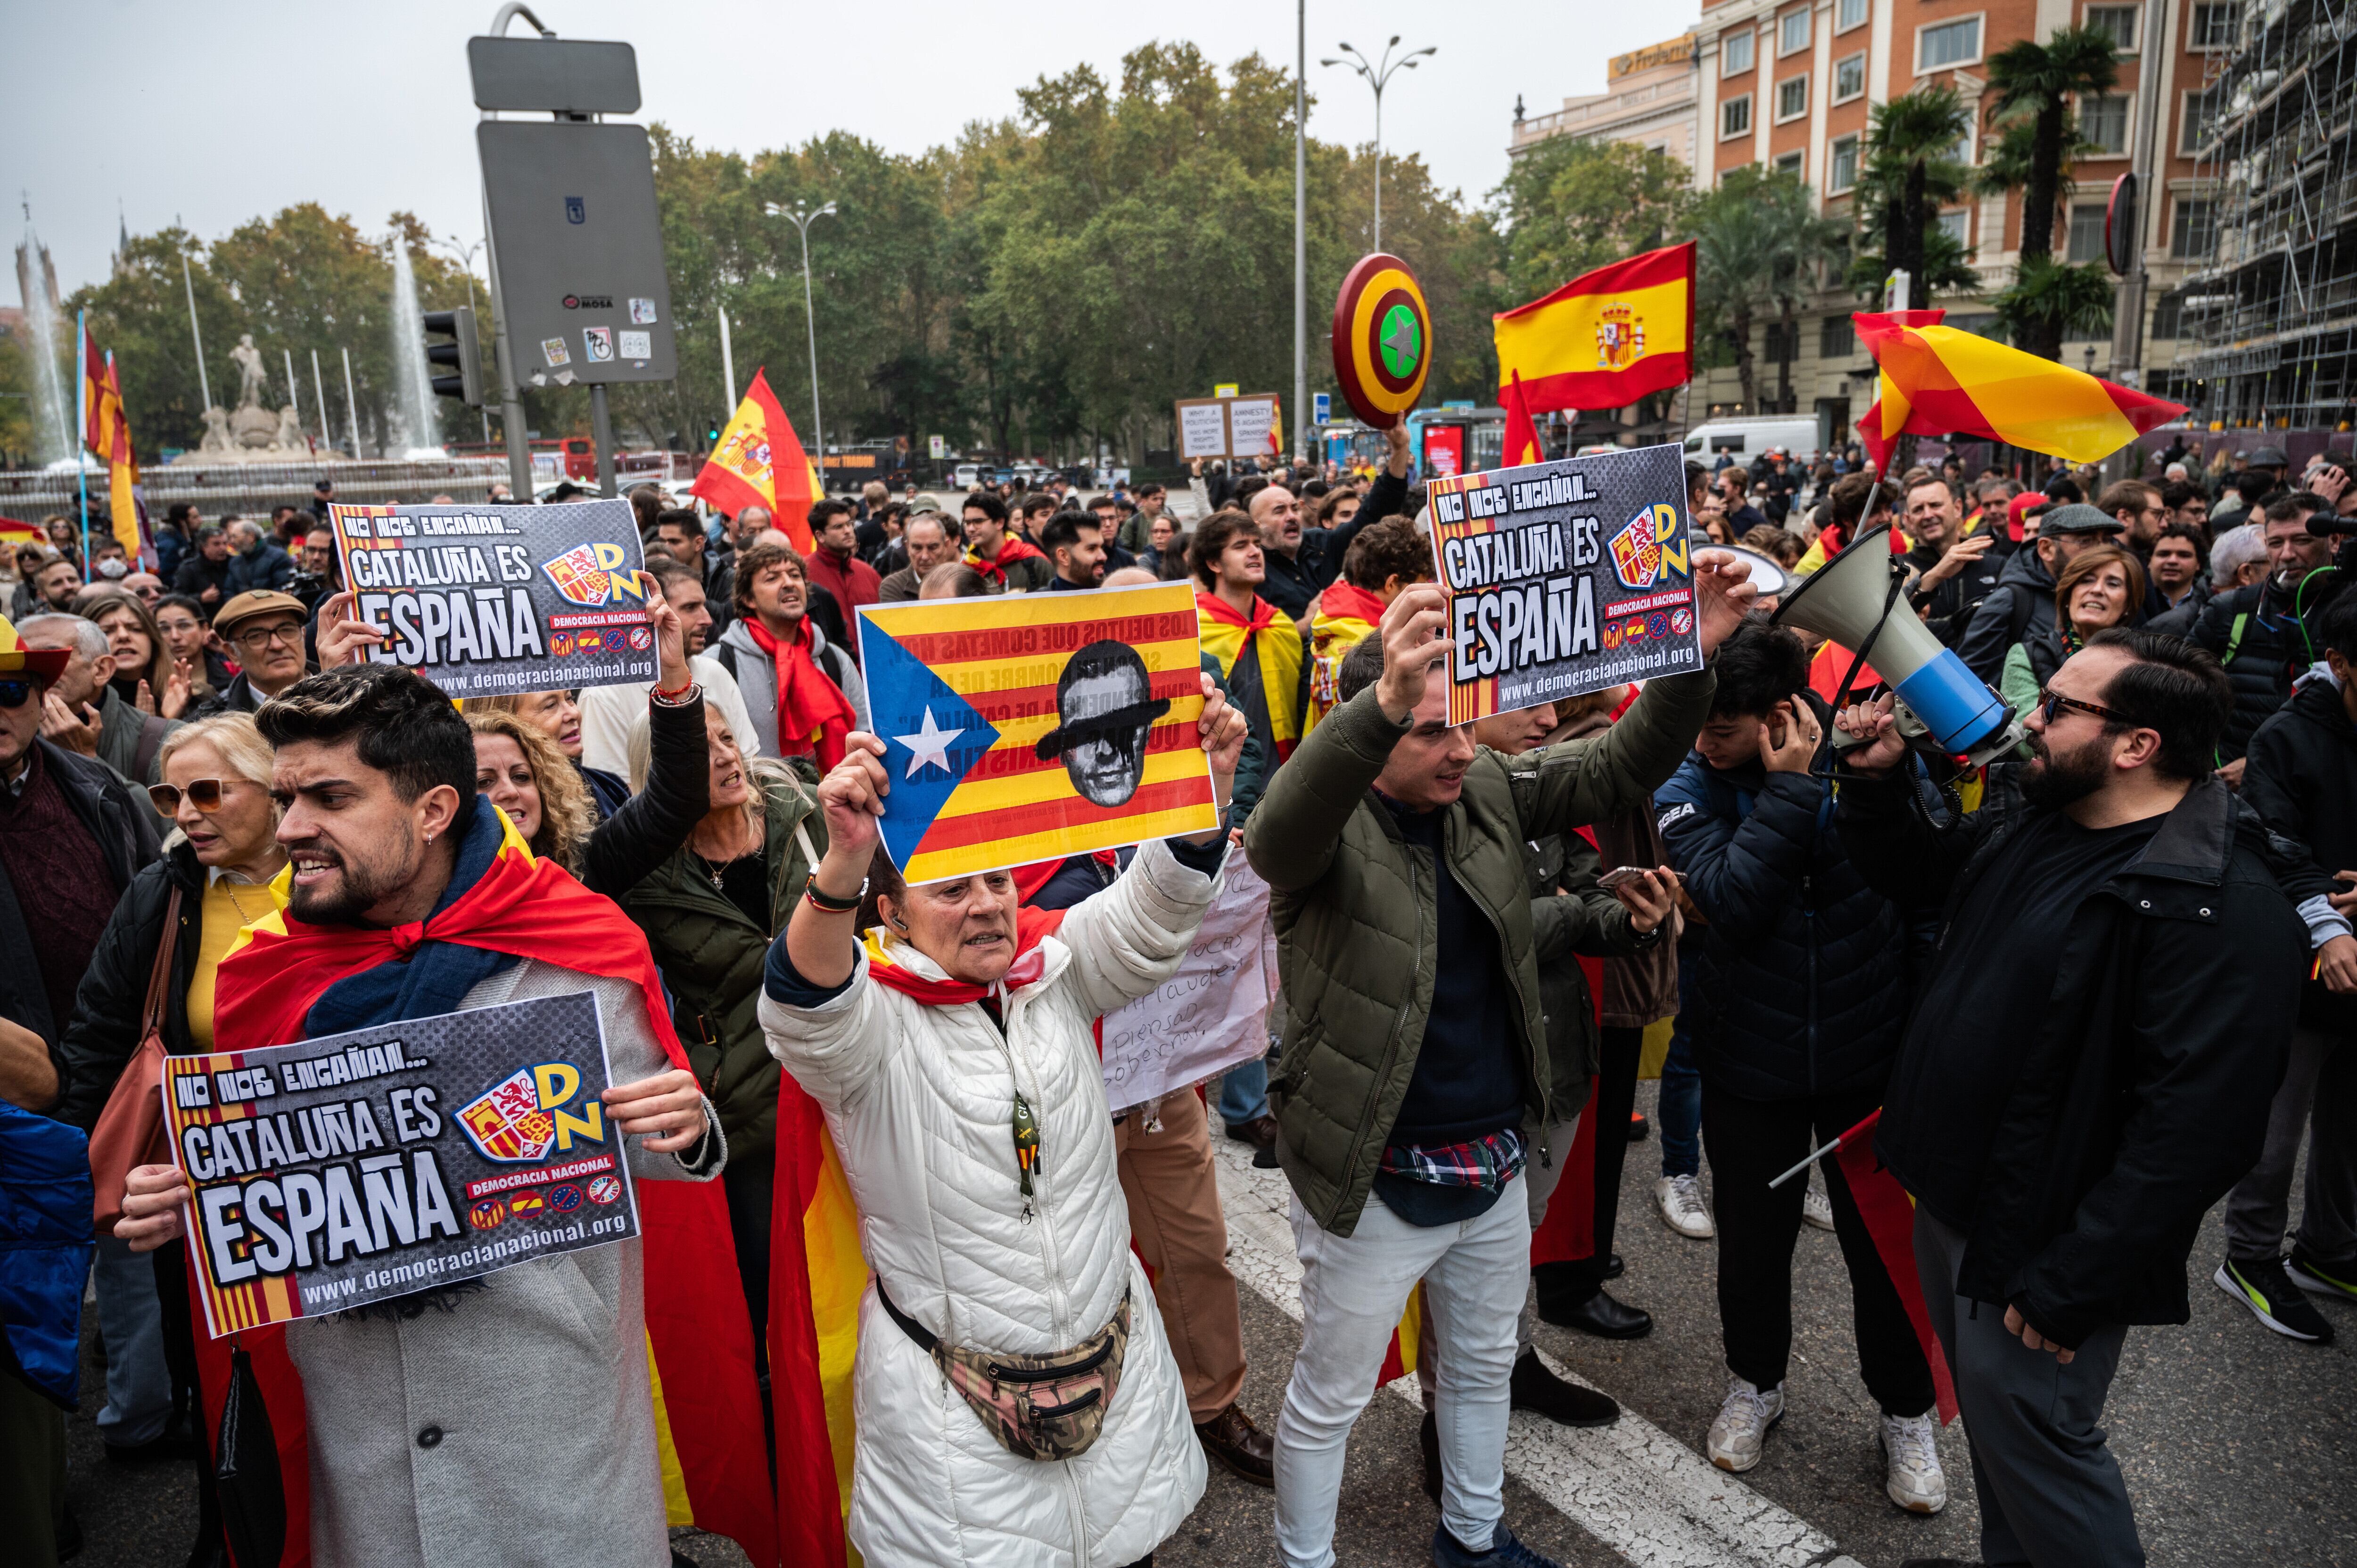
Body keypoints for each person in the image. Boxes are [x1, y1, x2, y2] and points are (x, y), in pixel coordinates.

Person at [113, 664, 729, 1568]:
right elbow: (278, 1197)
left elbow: (661, 1158)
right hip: (364, 1443)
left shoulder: (575, 945)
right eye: (286, 798)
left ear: (434, 809)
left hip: (552, 1432)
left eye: (330, 798)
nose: (290, 830)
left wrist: (687, 1124)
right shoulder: (266, 974)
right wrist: (193, 1199)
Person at [1246, 558, 1750, 1568]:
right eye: (1429, 727)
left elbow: (1613, 767)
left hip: (1490, 1156)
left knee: (1477, 1370)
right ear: (1374, 729)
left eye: (1462, 723)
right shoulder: (1323, 830)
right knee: (1333, 1394)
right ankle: (1304, 1558)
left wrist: (1688, 653)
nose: (1458, 747)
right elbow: (1272, 834)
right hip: (1370, 1170)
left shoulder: (1479, 782)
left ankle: (1471, 1541)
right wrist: (1383, 699)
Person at [1833, 628, 2302, 1568]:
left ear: (2137, 745)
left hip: (2038, 1236)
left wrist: (2075, 1279)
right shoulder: (2044, 816)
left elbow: (2197, 1132)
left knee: (2044, 1446)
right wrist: (1880, 784)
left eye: (2055, 707)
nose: (2028, 722)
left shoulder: (2219, 906)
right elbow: (1928, 878)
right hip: (1958, 1197)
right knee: (2004, 1442)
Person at [755, 678, 1246, 1567]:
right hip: (955, 1416)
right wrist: (842, 863)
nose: (986, 903)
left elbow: (1151, 918)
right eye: (950, 889)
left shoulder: (1057, 971)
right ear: (892, 912)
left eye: (999, 880)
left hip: (1117, 1376)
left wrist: (1201, 791)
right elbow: (803, 1008)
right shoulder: (872, 1029)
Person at [1654, 618, 1944, 1511]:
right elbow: (1733, 900)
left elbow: (1929, 881)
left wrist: (1876, 779)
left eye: (1726, 725)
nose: (1706, 741)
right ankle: (1755, 1383)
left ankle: (1908, 1412)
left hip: (1871, 1057)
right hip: (1748, 1059)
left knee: (1886, 1253)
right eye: (1699, 723)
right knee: (1752, 1244)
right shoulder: (1683, 782)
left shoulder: (1872, 752)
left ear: (1782, 710)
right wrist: (1786, 789)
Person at [46, 715, 282, 1552]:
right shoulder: (166, 891)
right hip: (206, 1189)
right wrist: (70, 1168)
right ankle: (227, 1535)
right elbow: (101, 1029)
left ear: (273, 786)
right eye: (169, 795)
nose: (187, 811)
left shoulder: (343, 882)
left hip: (336, 1176)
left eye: (209, 791)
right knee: (220, 1382)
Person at [2216, 591, 2357, 1343]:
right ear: (2339, 662)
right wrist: (2327, 924)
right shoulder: (2288, 735)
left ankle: (2330, 1248)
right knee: (2277, 1121)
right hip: (2297, 962)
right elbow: (2273, 841)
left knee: (2350, 1121)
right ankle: (2250, 1256)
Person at [577, 557, 763, 781]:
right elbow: (615, 796)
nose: (707, 620)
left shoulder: (715, 673)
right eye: (690, 608)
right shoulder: (605, 696)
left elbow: (750, 769)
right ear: (651, 612)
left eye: (704, 605)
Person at [2191, 493, 2341, 768]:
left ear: (2334, 541)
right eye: (2275, 543)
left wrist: (2258, 764)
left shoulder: (2349, 611)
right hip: (2227, 781)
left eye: (2302, 540)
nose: (2286, 554)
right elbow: (2179, 685)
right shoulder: (2231, 609)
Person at [710, 542, 868, 766]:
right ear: (749, 599)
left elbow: (863, 735)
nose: (789, 584)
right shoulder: (719, 663)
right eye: (772, 579)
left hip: (835, 794)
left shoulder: (832, 658)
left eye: (795, 575)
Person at [1956, 503, 2129, 686]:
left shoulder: (2115, 594)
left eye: (2107, 540)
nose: (2101, 550)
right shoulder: (2010, 602)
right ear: (2046, 549)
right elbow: (1970, 687)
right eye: (2086, 541)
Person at [17, 612, 180, 787]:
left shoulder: (166, 739)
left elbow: (164, 814)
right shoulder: (11, 732)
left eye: (52, 658)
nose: (37, 672)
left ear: (102, 670)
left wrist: (86, 758)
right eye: (25, 661)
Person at [1999, 543, 2148, 723]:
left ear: (2128, 605)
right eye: (2087, 580)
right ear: (2069, 594)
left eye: (2113, 584)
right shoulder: (2028, 655)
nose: (2097, 590)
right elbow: (2027, 734)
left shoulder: (2141, 661)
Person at [456, 682, 631, 820]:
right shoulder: (474, 808)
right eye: (550, 706)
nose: (573, 713)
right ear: (505, 722)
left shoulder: (610, 787)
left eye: (569, 698)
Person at [1900, 473, 2001, 648]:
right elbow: (1891, 628)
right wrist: (1935, 576)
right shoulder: (1897, 569)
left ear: (1958, 508)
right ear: (1908, 520)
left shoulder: (1995, 567)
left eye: (1935, 505)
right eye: (1918, 510)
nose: (1928, 515)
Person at [192, 589, 315, 715]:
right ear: (232, 653)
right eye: (257, 637)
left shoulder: (336, 687)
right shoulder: (213, 724)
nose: (277, 645)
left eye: (287, 631)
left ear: (303, 637)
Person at [75, 587, 184, 719]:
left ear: (153, 639)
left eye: (136, 629)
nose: (123, 636)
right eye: (107, 631)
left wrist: (170, 723)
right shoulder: (75, 708)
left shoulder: (187, 696)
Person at [804, 498, 883, 649]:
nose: (848, 531)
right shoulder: (802, 575)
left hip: (874, 665)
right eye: (838, 527)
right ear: (820, 536)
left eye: (849, 524)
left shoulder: (868, 573)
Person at [961, 491, 1053, 592]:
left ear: (1000, 523)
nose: (971, 529)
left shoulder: (1034, 562)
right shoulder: (967, 570)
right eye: (967, 523)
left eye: (978, 522)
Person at [152, 592, 231, 708]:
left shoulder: (231, 671)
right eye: (164, 629)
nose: (175, 636)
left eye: (184, 626)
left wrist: (230, 651)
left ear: (204, 629)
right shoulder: (149, 684)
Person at [2145, 522, 2208, 619]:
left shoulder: (2209, 604)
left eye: (2184, 555)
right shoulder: (2133, 601)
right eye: (2164, 554)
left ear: (2198, 564)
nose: (2172, 561)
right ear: (2149, 561)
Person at [221, 517, 296, 597]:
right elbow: (229, 593)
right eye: (230, 537)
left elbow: (282, 589)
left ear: (251, 537)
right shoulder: (235, 562)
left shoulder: (278, 557)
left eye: (235, 537)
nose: (232, 541)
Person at [1041, 510, 1108, 591]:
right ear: (1063, 556)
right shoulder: (1036, 603)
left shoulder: (1116, 599)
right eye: (1092, 549)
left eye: (1102, 547)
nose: (1103, 557)